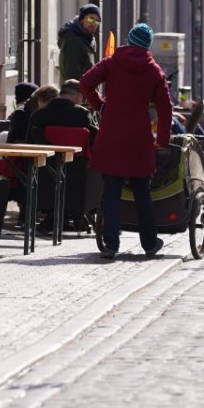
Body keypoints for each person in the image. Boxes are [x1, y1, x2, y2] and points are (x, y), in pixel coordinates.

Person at [80, 22, 173, 259]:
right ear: (148, 45)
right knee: (142, 191)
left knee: (111, 190)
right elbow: (165, 109)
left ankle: (111, 245)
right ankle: (149, 243)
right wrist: (162, 140)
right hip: (139, 137)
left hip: (112, 132)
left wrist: (99, 105)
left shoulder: (111, 63)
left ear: (129, 40)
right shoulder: (155, 72)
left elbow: (86, 82)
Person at [27, 80, 101, 232]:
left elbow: (29, 142)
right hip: (78, 180)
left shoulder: (40, 115)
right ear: (79, 96)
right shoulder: (82, 115)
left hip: (44, 176)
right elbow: (95, 141)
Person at [58, 4, 102, 82]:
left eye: (97, 21)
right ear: (82, 19)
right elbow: (72, 76)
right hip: (76, 93)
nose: (94, 23)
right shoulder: (74, 42)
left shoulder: (87, 41)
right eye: (91, 19)